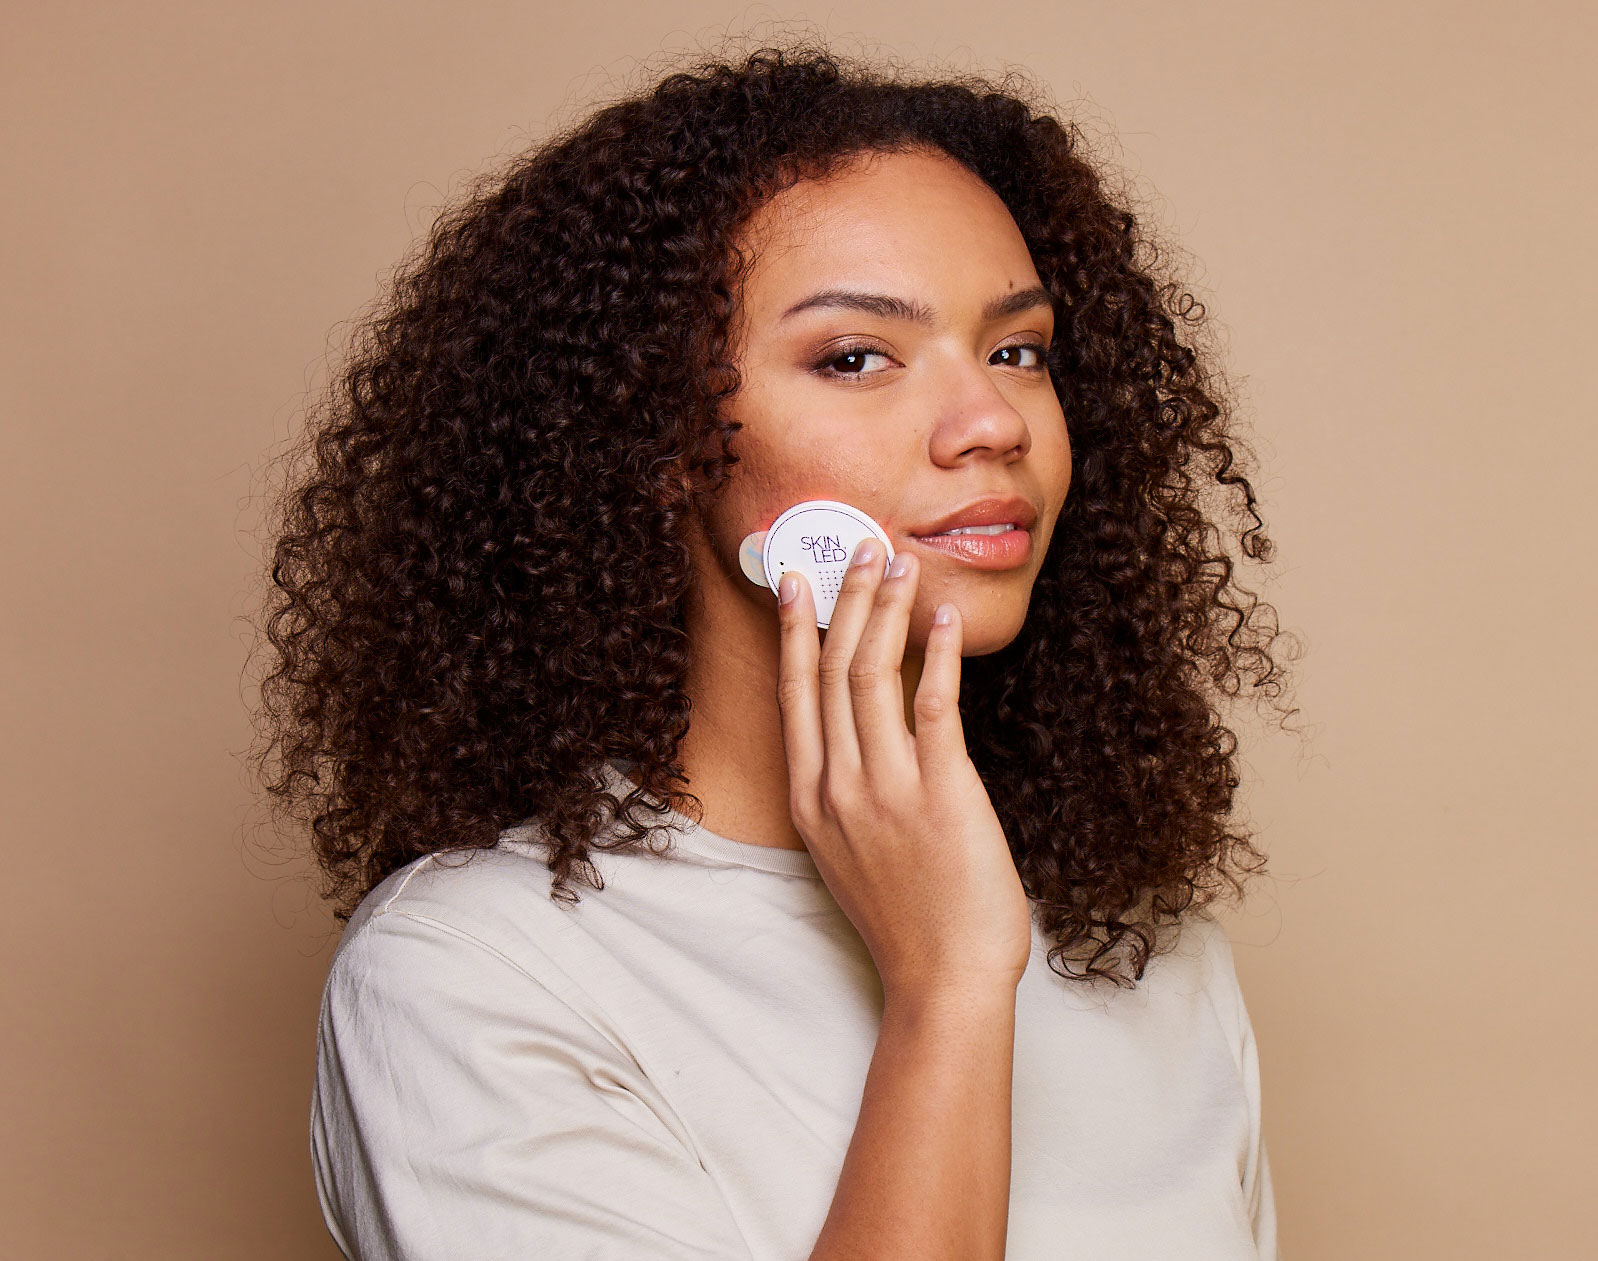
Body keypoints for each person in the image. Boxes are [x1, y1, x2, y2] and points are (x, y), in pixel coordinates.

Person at [254, 38, 1297, 1261]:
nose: (990, 422)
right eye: (854, 358)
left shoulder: (1145, 950)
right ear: (656, 439)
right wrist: (948, 989)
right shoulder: (475, 972)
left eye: (1016, 350)